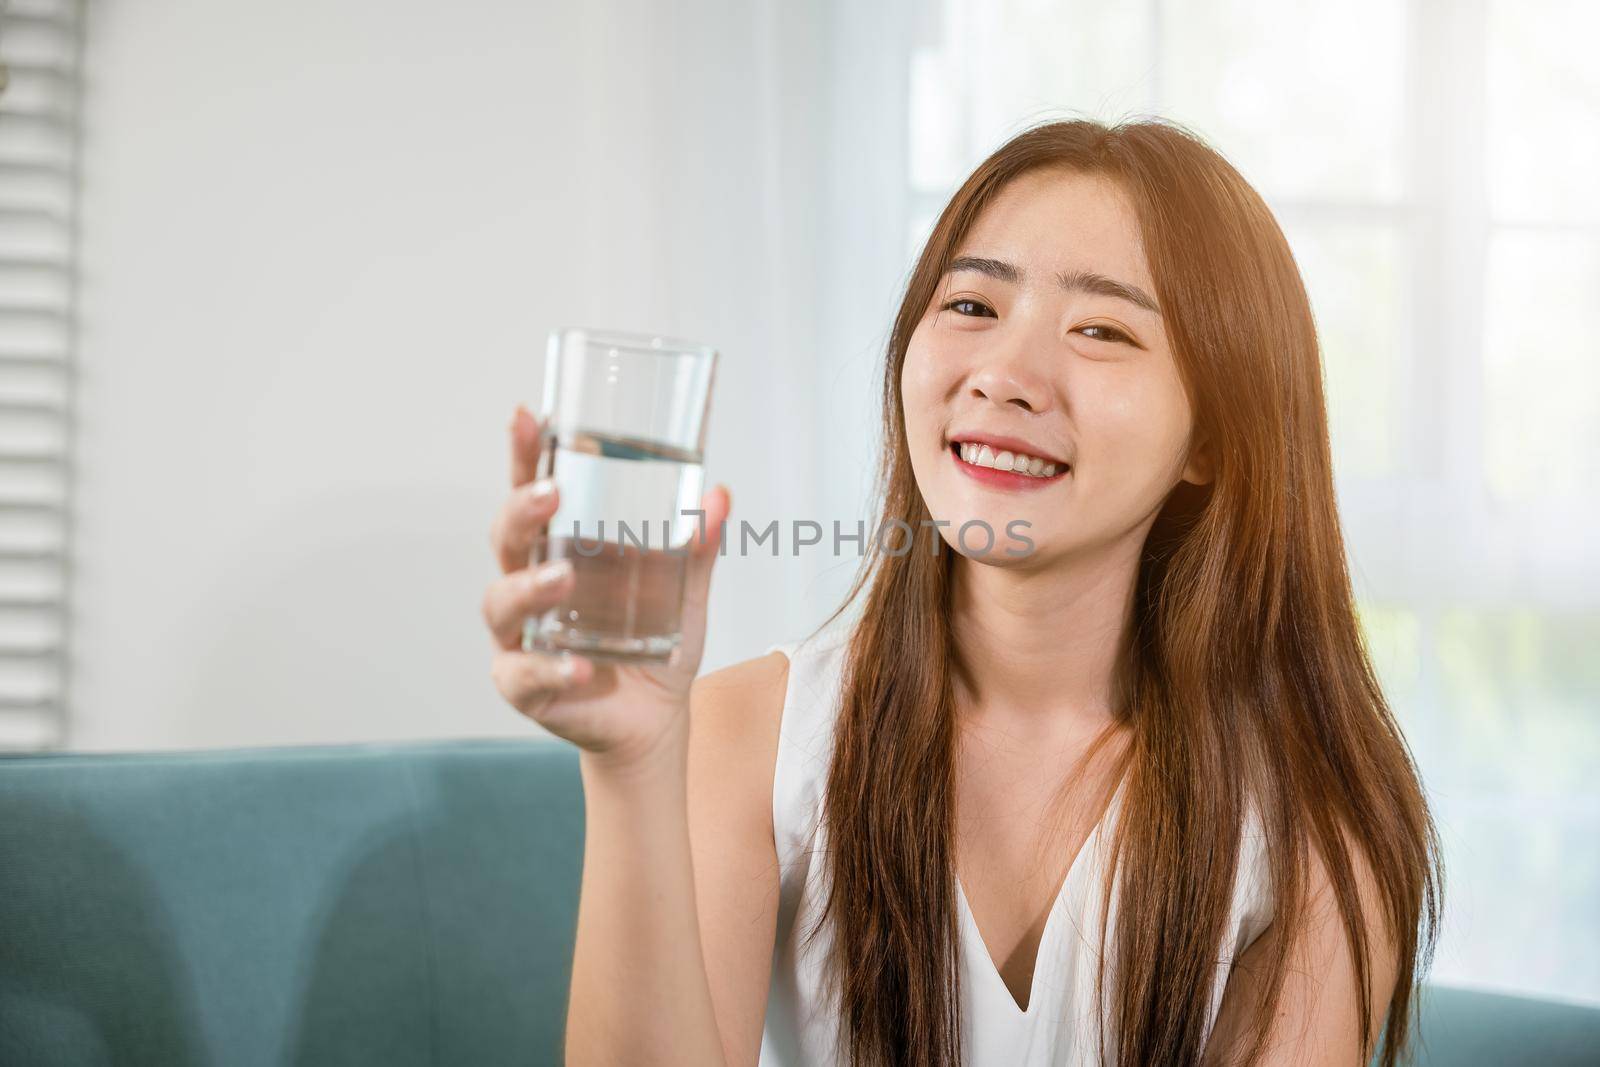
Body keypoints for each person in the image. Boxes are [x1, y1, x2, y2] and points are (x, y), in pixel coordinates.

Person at [481, 117, 1443, 1067]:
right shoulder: (745, 738)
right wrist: (632, 762)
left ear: (1214, 438)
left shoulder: (1312, 818)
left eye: (1102, 329)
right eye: (973, 307)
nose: (1007, 376)